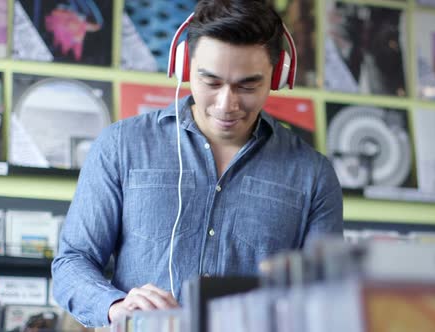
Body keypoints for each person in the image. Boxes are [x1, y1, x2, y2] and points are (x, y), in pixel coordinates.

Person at [51, 0, 343, 327]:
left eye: (248, 85)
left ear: (278, 76)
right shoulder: (121, 145)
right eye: (211, 82)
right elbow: (72, 263)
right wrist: (116, 305)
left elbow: (327, 294)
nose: (226, 104)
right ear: (184, 67)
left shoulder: (313, 175)